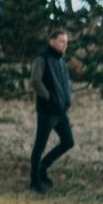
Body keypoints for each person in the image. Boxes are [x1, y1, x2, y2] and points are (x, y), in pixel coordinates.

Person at [29, 30, 74, 192]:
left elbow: (65, 82)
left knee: (68, 141)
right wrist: (48, 97)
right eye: (61, 41)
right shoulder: (42, 58)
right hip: (47, 110)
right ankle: (35, 181)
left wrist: (67, 99)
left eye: (66, 42)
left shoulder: (61, 61)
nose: (64, 45)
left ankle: (42, 168)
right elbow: (35, 80)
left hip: (61, 111)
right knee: (39, 146)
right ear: (51, 41)